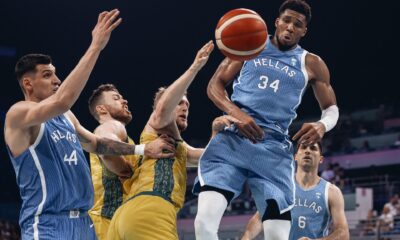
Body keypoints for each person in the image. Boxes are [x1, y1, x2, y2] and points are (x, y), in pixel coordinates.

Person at [4, 10, 175, 239]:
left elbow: (96, 144)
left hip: (85, 225)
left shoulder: (66, 117)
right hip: (48, 225)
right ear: (28, 83)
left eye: (55, 74)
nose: (57, 80)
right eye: (47, 75)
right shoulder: (18, 114)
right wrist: (96, 46)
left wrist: (142, 149)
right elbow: (63, 99)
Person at [194, 1, 339, 239]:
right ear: (277, 22)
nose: (291, 27)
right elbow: (214, 86)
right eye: (287, 20)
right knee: (203, 225)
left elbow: (331, 108)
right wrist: (236, 113)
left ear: (304, 31)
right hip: (233, 139)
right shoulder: (251, 44)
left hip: (274, 149)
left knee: (277, 236)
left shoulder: (312, 63)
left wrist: (322, 125)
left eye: (298, 24)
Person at [107, 41, 236, 239]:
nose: (185, 108)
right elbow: (164, 108)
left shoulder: (178, 146)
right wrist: (195, 67)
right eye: (180, 103)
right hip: (152, 211)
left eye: (188, 105)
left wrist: (216, 133)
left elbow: (209, 158)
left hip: (126, 216)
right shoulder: (157, 124)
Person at [87, 84, 176, 239]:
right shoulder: (111, 126)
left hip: (117, 222)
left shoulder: (128, 142)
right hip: (106, 222)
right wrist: (143, 151)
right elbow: (104, 145)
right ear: (102, 109)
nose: (124, 101)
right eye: (116, 98)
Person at [241, 142, 349, 240]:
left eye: (313, 148)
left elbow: (343, 233)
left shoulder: (331, 192)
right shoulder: (280, 186)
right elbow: (260, 218)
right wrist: (246, 237)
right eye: (303, 147)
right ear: (295, 157)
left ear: (321, 159)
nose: (308, 151)